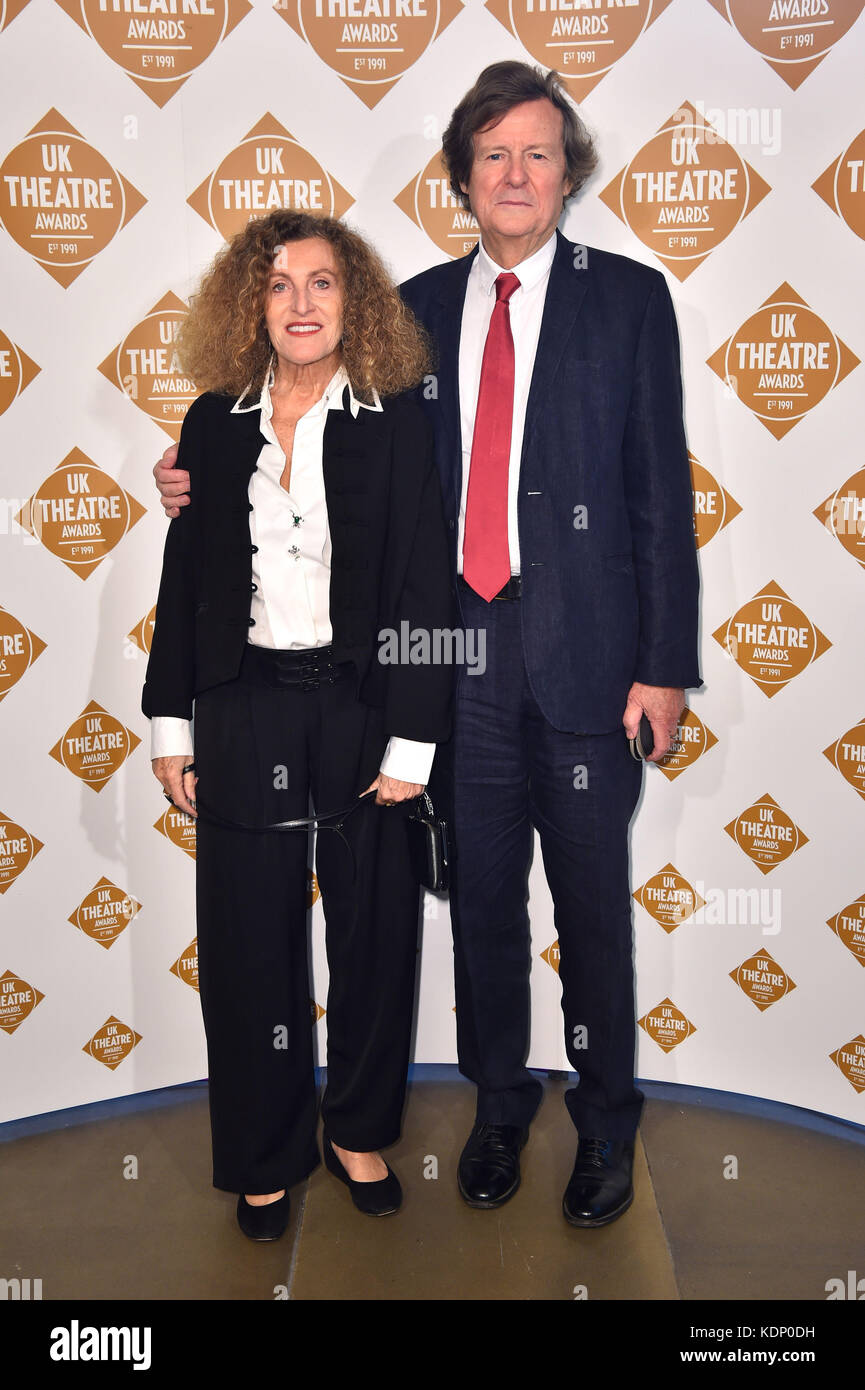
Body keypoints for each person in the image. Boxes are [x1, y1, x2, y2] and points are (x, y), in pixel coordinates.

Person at [154, 62, 702, 1230]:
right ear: (462, 177)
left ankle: (605, 1122)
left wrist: (661, 662)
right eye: (491, 154)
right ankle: (500, 1105)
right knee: (483, 907)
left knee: (594, 905)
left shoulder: (630, 301)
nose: (514, 175)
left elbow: (659, 494)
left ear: (566, 172)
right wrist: (192, 475)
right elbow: (323, 449)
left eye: (537, 153)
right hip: (444, 655)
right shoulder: (409, 309)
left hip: (591, 659)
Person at [143, 209, 453, 1240]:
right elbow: (186, 578)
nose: (301, 303)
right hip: (242, 703)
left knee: (374, 931)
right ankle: (264, 1152)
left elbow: (423, 587)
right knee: (246, 940)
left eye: (322, 283)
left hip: (360, 702)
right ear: (250, 304)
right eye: (278, 284)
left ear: (353, 301)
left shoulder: (398, 418)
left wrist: (413, 741)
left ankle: (357, 1128)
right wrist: (169, 723)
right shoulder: (210, 422)